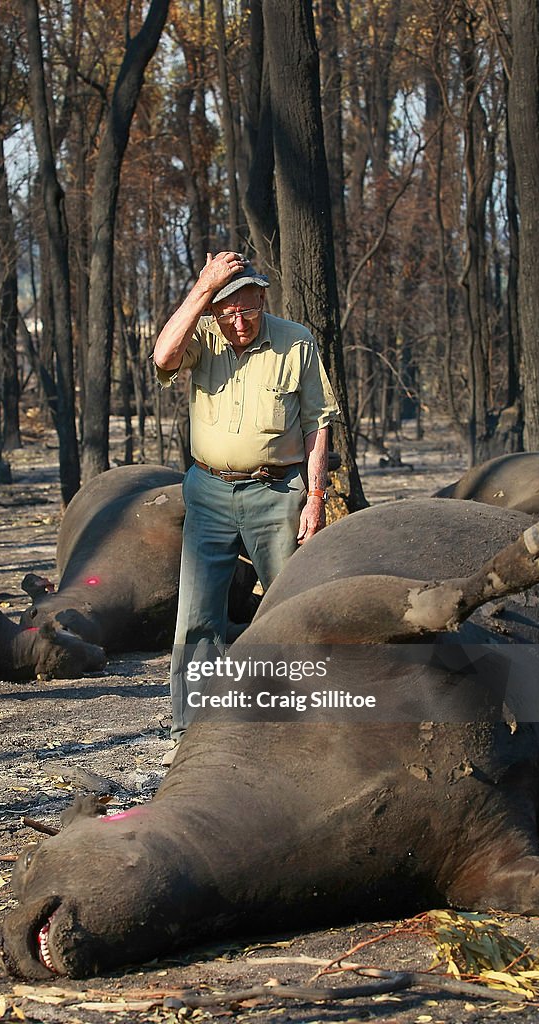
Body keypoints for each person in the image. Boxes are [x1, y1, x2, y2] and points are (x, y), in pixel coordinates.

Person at [153, 250, 340, 758]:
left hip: (277, 492)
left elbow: (317, 424)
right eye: (228, 311)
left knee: (290, 609)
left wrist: (315, 498)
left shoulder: (295, 340)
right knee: (196, 618)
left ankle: (303, 727)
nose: (239, 321)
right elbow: (163, 357)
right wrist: (203, 288)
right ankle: (190, 735)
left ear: (263, 299)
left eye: (248, 310)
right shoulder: (204, 333)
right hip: (209, 493)